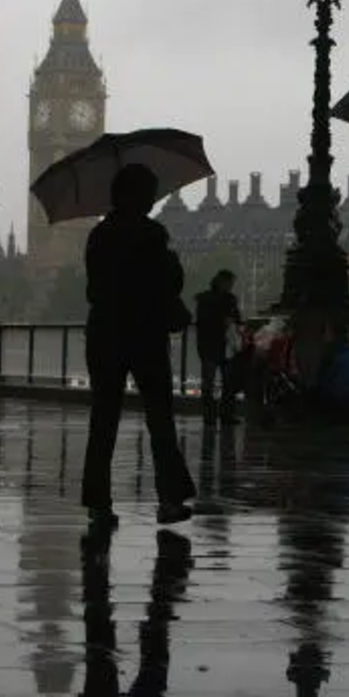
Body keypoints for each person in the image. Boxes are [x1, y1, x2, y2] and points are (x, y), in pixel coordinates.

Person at [83, 163, 197, 529]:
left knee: (103, 421)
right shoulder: (152, 234)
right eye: (149, 192)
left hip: (105, 335)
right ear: (133, 194)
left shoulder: (98, 236)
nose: (153, 199)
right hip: (145, 335)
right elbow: (170, 283)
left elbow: (94, 290)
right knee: (160, 419)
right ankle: (170, 499)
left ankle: (98, 504)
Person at [194, 269, 243, 425]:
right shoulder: (229, 300)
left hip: (209, 346)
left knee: (210, 383)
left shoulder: (205, 300)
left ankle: (210, 415)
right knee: (227, 383)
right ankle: (225, 414)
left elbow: (201, 323)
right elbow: (237, 319)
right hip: (222, 346)